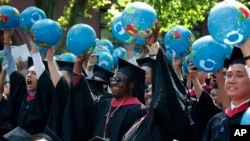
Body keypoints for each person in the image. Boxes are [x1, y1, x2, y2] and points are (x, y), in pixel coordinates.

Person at [1, 30, 55, 134]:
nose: (29, 75)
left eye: (34, 73)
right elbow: (11, 68)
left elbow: (42, 73)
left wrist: (35, 50)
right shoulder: (22, 92)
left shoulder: (44, 96)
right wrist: (7, 43)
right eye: (28, 72)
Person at [202, 36, 250, 141]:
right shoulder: (215, 122)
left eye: (239, 75)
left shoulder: (247, 119)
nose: (231, 80)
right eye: (228, 75)